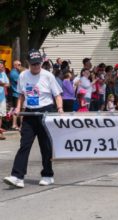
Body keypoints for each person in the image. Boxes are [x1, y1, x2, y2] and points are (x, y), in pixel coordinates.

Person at [3, 49, 63, 188]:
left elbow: (57, 95)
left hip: (45, 112)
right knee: (24, 144)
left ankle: (47, 174)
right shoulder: (23, 75)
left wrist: (59, 109)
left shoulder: (48, 76)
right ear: (28, 63)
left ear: (41, 62)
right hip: (30, 113)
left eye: (38, 63)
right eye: (33, 64)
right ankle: (17, 176)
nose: (36, 66)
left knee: (45, 146)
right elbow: (21, 94)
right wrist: (18, 108)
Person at [9, 60, 22, 130]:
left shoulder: (16, 72)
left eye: (20, 64)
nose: (20, 66)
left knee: (15, 109)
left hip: (16, 94)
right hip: (16, 94)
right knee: (17, 109)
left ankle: (15, 124)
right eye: (19, 65)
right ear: (15, 65)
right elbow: (20, 82)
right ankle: (14, 124)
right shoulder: (14, 73)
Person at [0, 59, 10, 140]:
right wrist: (4, 84)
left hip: (2, 98)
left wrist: (3, 84)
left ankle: (0, 133)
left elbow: (8, 84)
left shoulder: (3, 73)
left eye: (3, 66)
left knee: (0, 116)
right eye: (1, 66)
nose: (2, 67)